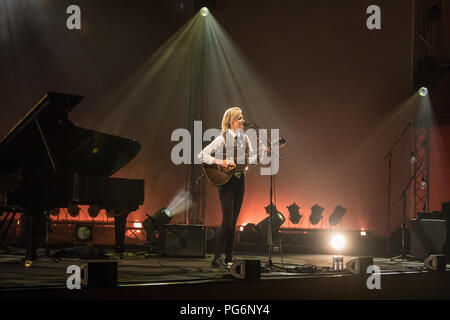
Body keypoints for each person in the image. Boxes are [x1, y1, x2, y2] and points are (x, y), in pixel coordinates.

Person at [198, 107, 257, 268]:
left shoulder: (245, 138)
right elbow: (202, 155)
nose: (243, 120)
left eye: (242, 117)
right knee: (227, 220)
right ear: (231, 121)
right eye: (239, 118)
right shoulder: (221, 138)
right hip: (226, 182)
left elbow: (250, 159)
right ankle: (216, 257)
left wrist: (261, 154)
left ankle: (229, 256)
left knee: (234, 221)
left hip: (240, 180)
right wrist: (221, 162)